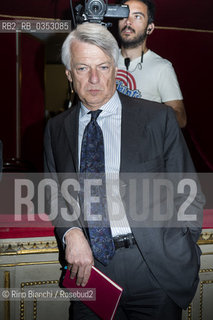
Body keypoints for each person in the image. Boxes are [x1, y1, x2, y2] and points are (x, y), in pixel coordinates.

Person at [44, 22, 204, 320]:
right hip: (90, 271)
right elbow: (55, 192)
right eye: (82, 68)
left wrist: (179, 246)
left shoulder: (158, 119)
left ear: (115, 69)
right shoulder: (56, 129)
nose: (94, 79)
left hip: (155, 271)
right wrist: (72, 232)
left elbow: (189, 192)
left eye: (103, 67)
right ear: (69, 74)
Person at [116, 0, 187, 128]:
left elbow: (181, 119)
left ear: (150, 28)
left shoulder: (162, 68)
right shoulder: (103, 58)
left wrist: (145, 113)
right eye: (123, 15)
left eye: (137, 16)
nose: (128, 22)